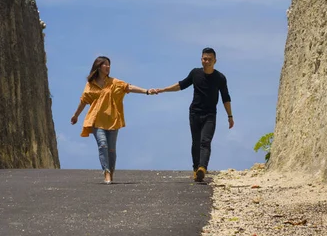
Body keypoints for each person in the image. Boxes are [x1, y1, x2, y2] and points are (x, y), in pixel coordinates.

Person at [152, 47, 233, 182]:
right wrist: (164, 90)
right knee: (196, 142)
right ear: (201, 59)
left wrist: (230, 116)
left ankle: (202, 168)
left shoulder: (220, 78)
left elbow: (226, 97)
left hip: (210, 114)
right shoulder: (195, 73)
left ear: (215, 61)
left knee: (205, 141)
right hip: (194, 113)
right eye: (204, 59)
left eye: (209, 59)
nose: (206, 61)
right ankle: (196, 169)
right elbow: (181, 85)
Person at [70, 56, 153, 184]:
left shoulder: (114, 82)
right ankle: (106, 173)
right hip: (96, 120)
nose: (108, 67)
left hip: (113, 120)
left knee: (111, 149)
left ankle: (111, 172)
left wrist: (146, 91)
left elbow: (128, 87)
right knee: (102, 145)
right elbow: (84, 101)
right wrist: (76, 115)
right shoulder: (91, 84)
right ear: (98, 67)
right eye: (105, 65)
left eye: (109, 65)